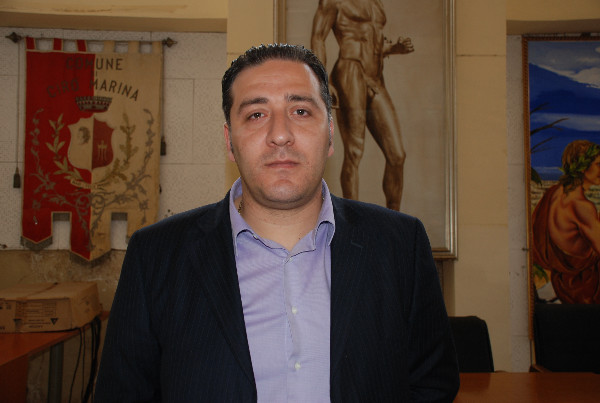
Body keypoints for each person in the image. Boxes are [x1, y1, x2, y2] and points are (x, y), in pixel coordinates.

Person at [95, 43, 459, 402]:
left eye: (300, 111)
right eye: (256, 115)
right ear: (229, 142)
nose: (280, 134)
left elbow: (432, 385)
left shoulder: (401, 244)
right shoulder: (155, 256)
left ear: (330, 134)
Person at [311, 0, 414, 211]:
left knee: (397, 155)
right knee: (355, 152)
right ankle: (353, 222)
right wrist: (323, 82)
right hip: (350, 72)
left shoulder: (376, 3)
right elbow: (318, 37)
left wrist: (394, 48)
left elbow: (371, 41)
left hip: (375, 76)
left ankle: (395, 221)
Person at [532, 140, 600, 304]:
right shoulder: (582, 206)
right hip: (582, 285)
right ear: (582, 167)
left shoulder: (554, 193)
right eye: (599, 165)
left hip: (560, 279)